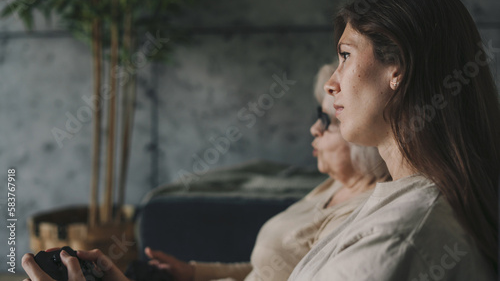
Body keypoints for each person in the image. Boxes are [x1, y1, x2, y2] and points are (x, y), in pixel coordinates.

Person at [22, 63, 390, 281]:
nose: (313, 129)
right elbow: (273, 267)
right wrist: (193, 272)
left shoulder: (363, 215)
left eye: (327, 120)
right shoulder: (331, 187)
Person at [287, 0, 499, 281]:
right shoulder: (402, 203)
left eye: (345, 55)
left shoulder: (402, 236)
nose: (330, 84)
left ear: (397, 67)